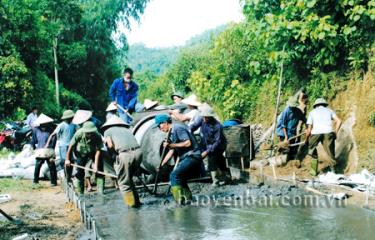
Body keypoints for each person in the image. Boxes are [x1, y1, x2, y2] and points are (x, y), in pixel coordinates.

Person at [155, 114, 202, 204]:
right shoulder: (170, 133)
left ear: (165, 123)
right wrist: (161, 164)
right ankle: (189, 199)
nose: (159, 128)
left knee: (174, 175)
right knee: (181, 177)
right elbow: (171, 151)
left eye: (159, 126)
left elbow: (187, 143)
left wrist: (171, 145)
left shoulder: (178, 128)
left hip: (193, 156)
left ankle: (179, 202)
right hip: (186, 157)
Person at [102, 116, 142, 207]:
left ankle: (132, 208)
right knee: (129, 179)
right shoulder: (127, 129)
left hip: (125, 155)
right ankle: (137, 202)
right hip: (139, 153)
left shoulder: (107, 131)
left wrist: (113, 155)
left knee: (123, 183)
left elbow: (110, 145)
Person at [190, 105, 230, 186]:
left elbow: (217, 141)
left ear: (210, 116)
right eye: (204, 117)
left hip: (218, 145)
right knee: (220, 160)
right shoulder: (202, 120)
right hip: (207, 143)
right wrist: (189, 130)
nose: (205, 119)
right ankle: (226, 177)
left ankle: (216, 180)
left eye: (206, 117)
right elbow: (193, 126)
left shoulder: (217, 126)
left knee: (213, 159)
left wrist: (207, 151)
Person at [305, 98, 342, 176]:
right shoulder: (329, 111)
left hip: (316, 133)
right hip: (328, 132)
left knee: (312, 150)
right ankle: (334, 171)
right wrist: (335, 132)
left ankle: (313, 171)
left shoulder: (312, 112)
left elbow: (309, 130)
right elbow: (339, 121)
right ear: (325, 105)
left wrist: (307, 139)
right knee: (330, 153)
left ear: (316, 105)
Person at [65, 121, 103, 194]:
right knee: (80, 171)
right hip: (80, 153)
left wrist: (95, 164)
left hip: (93, 152)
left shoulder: (97, 135)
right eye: (88, 133)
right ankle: (80, 192)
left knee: (99, 169)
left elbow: (98, 150)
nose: (90, 134)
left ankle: (101, 192)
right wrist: (67, 159)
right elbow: (71, 146)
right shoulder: (79, 133)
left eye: (91, 133)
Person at [31, 114, 57, 186]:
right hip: (40, 150)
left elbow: (54, 139)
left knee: (51, 166)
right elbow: (34, 140)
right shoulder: (36, 130)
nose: (43, 124)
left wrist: (52, 148)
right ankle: (35, 181)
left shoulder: (51, 130)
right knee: (37, 166)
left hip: (49, 150)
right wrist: (33, 147)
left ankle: (53, 182)